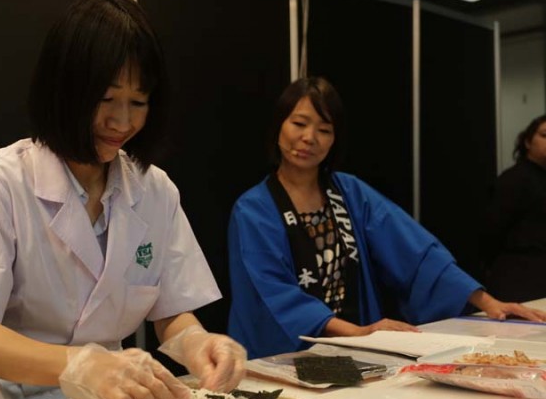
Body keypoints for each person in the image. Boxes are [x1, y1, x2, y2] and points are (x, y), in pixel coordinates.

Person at [0, 0, 245, 399]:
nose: (122, 122)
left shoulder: (156, 191)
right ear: (65, 91)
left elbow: (171, 314)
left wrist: (200, 343)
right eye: (106, 99)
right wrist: (78, 364)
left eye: (138, 102)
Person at [227, 76, 546, 358]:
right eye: (299, 123)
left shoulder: (350, 193)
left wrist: (487, 302)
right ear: (279, 125)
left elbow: (416, 255)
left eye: (324, 129)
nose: (310, 137)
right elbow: (274, 294)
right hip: (282, 359)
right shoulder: (254, 210)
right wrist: (361, 333)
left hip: (354, 355)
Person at [481, 115, 546, 303]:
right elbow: (491, 231)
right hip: (520, 278)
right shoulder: (514, 180)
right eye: (544, 135)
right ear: (527, 141)